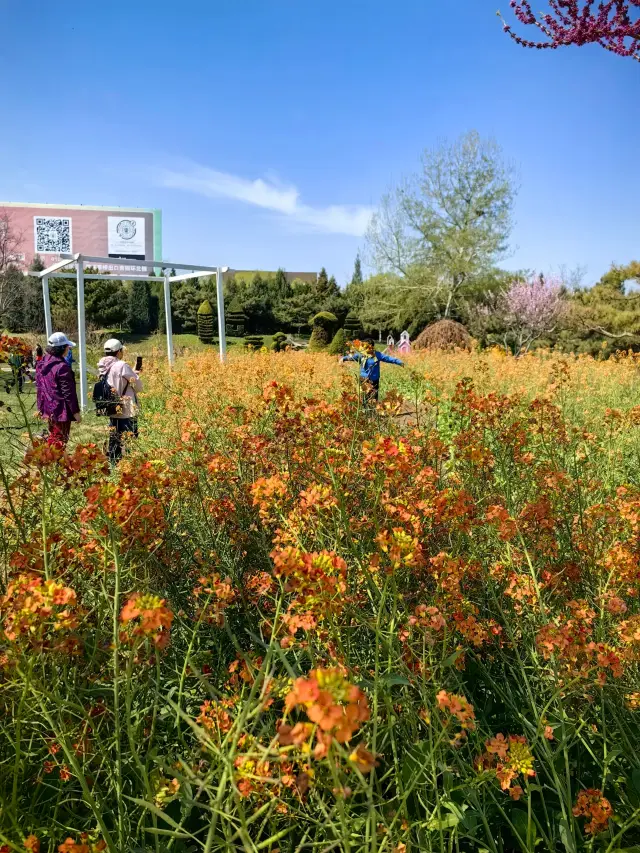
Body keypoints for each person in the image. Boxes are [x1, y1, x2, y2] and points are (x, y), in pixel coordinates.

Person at [97, 338, 143, 463]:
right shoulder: (122, 365)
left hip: (112, 407)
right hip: (127, 408)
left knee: (115, 439)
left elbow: (115, 380)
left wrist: (132, 372)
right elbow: (138, 386)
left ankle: (113, 464)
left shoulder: (102, 366)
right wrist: (135, 375)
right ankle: (130, 465)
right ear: (118, 352)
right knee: (130, 440)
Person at [35, 332, 81, 447]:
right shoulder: (62, 367)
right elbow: (68, 392)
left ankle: (48, 457)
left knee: (53, 436)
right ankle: (54, 462)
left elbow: (40, 387)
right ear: (62, 348)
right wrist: (75, 412)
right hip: (61, 410)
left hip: (48, 407)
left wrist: (40, 407)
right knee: (60, 440)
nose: (68, 349)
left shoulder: (43, 363)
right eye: (67, 347)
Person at [340, 337, 404, 403]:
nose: (366, 348)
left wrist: (399, 362)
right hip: (363, 379)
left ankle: (373, 411)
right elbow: (351, 357)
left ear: (372, 347)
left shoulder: (377, 355)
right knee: (364, 397)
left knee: (374, 397)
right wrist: (343, 359)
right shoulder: (361, 354)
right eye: (365, 346)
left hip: (374, 380)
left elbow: (388, 358)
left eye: (368, 346)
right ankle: (365, 411)